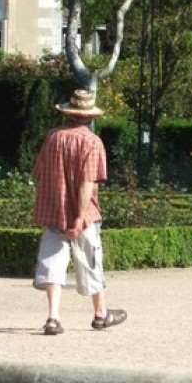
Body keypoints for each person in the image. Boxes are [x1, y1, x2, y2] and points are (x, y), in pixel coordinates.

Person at [31, 89, 127, 336]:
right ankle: (100, 314)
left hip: (54, 211)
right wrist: (78, 218)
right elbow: (87, 184)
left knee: (53, 262)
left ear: (68, 113)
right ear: (89, 116)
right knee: (91, 260)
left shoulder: (52, 137)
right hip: (83, 217)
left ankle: (53, 318)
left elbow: (40, 173)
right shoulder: (93, 142)